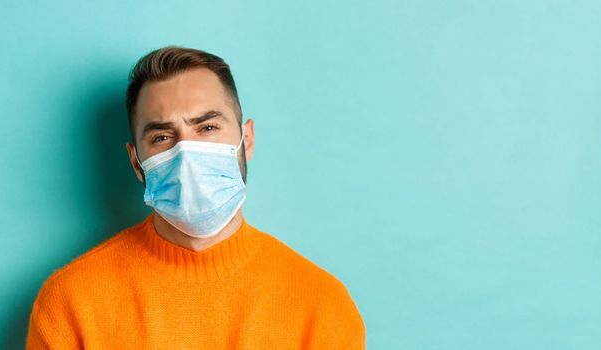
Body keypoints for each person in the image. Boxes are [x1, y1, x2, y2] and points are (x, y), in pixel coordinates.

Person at [26, 46, 365, 349]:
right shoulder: (71, 303)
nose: (186, 152)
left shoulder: (322, 307)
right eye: (161, 136)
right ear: (136, 162)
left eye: (207, 128)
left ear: (246, 140)